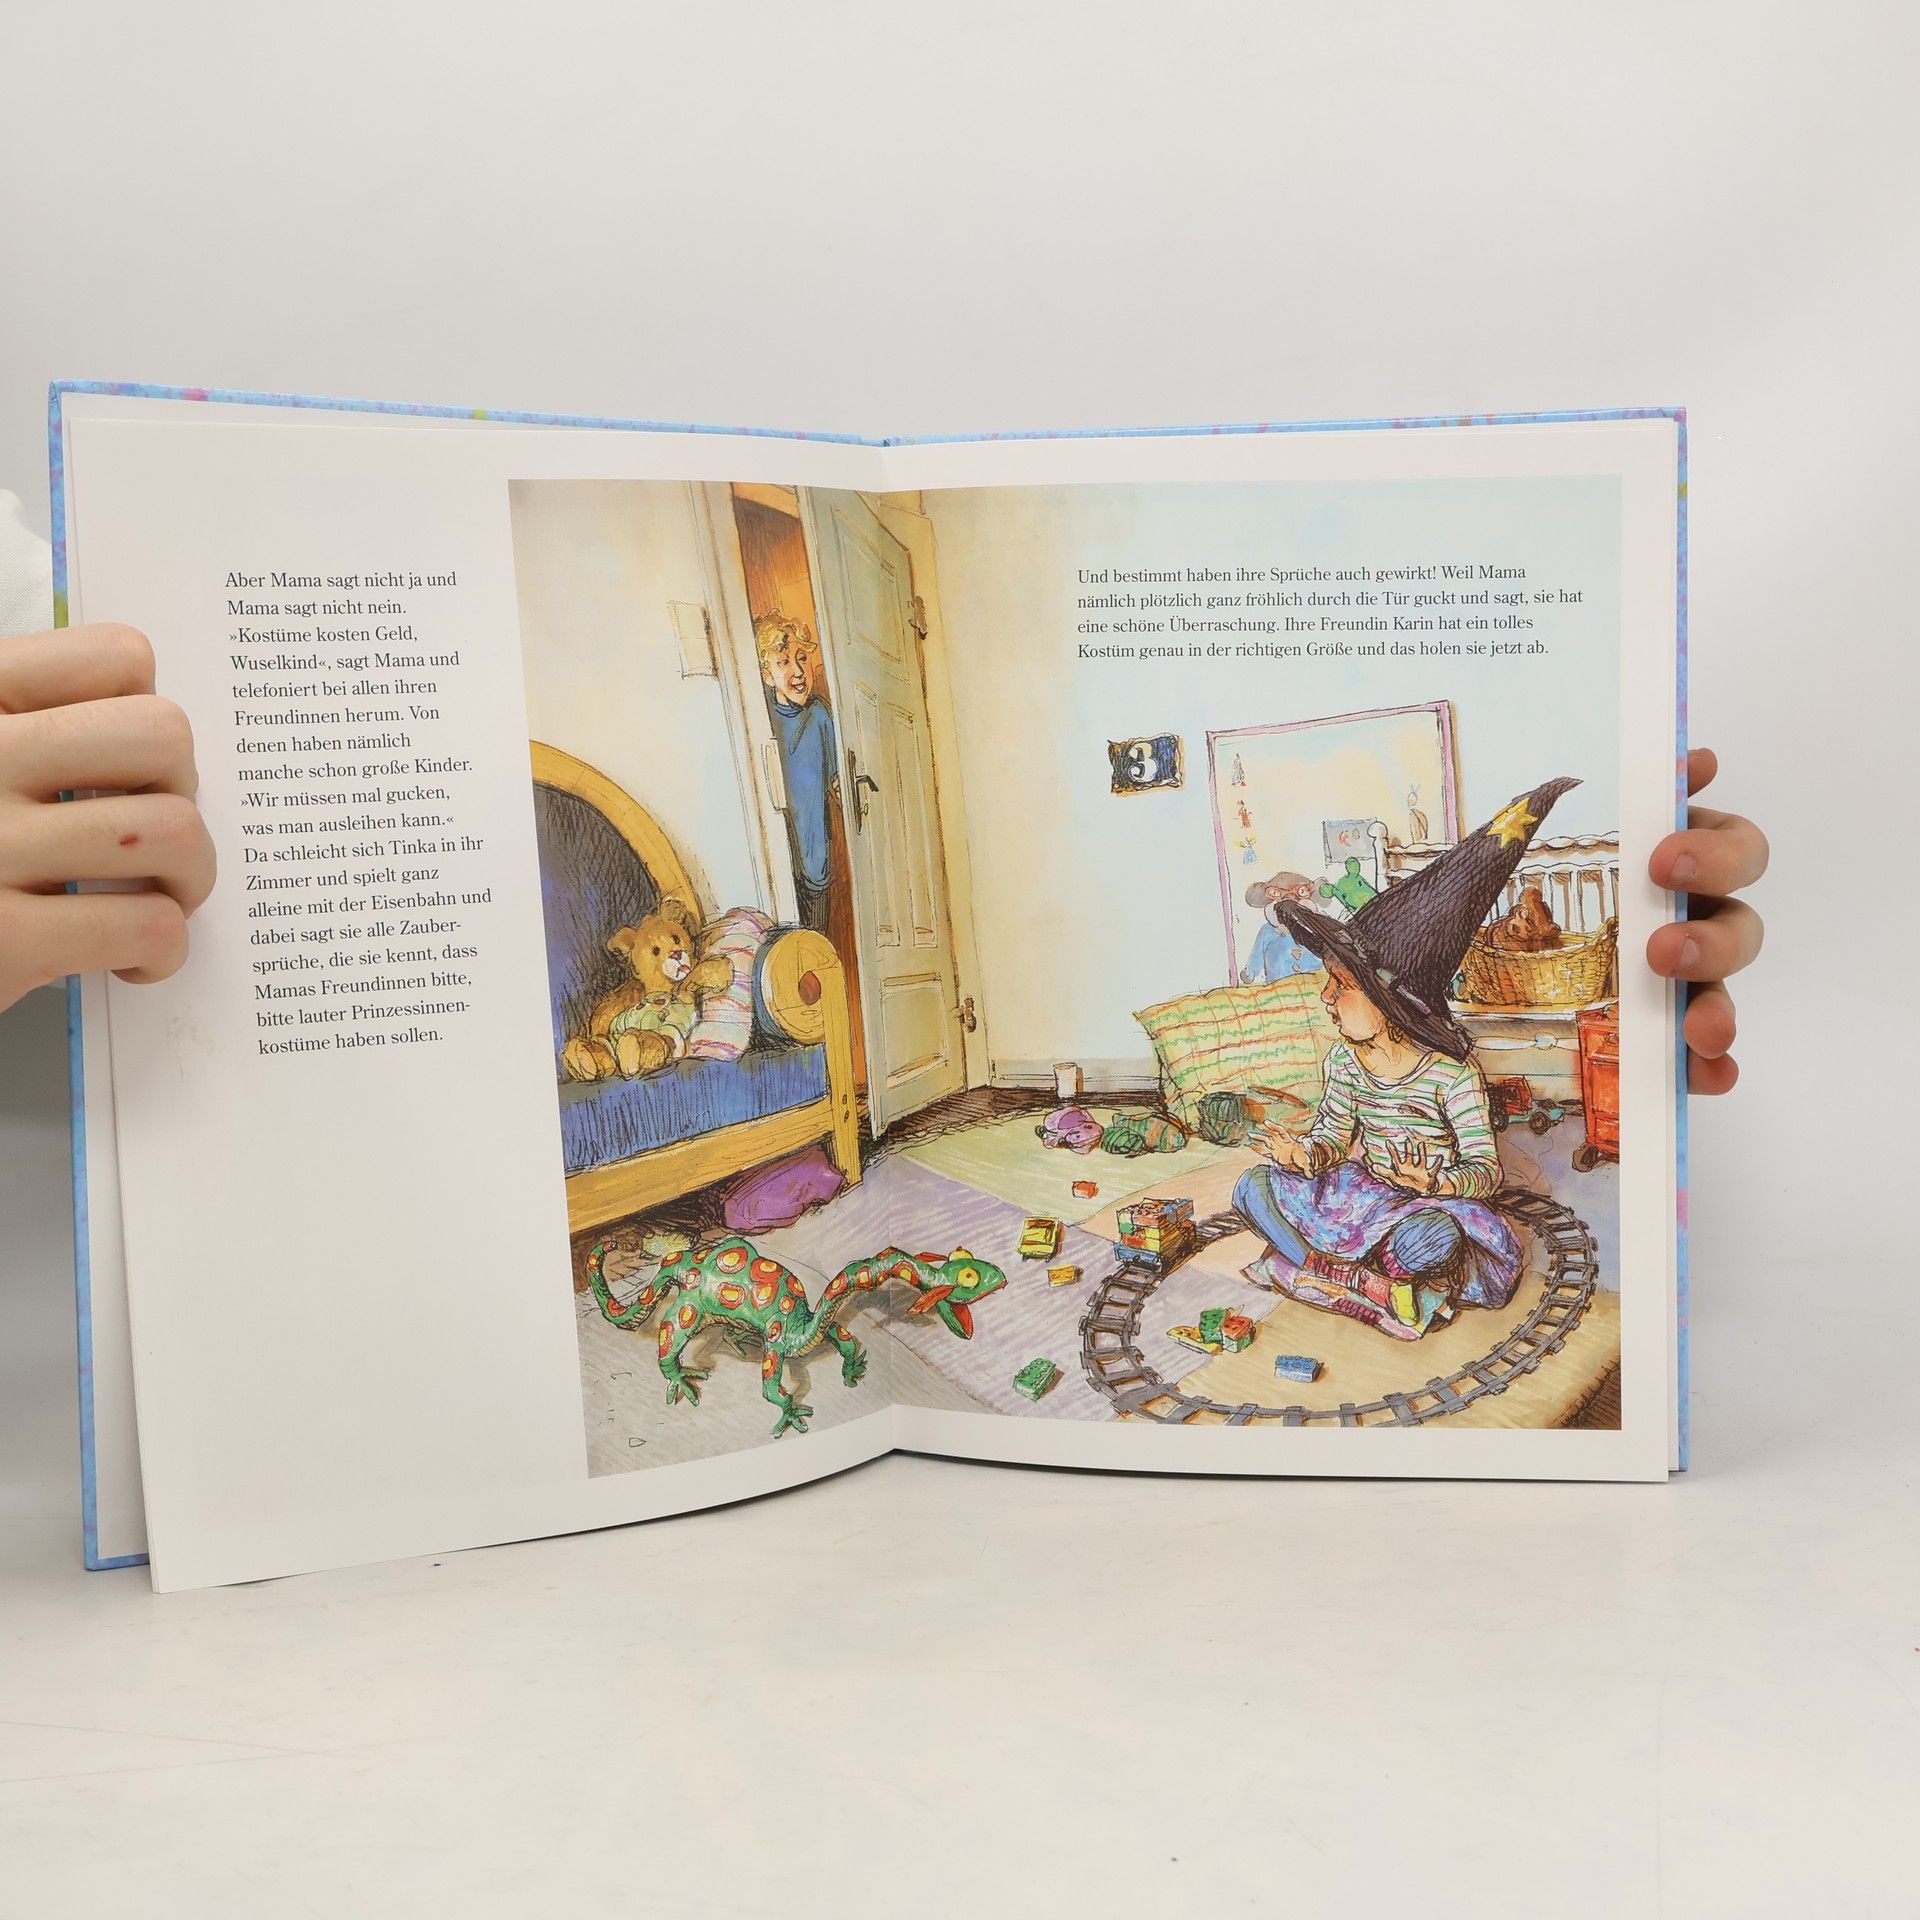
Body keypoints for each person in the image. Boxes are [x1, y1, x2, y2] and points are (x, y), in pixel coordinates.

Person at [0, 494, 1767, 1096]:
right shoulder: (786, 726)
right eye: (778, 658)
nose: (1336, 1005)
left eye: (1351, 992)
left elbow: (1438, 1135)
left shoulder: (1431, 1081)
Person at [754, 612, 840, 933]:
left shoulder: (820, 716)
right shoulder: (762, 718)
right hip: (779, 865)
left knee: (816, 945)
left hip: (815, 862)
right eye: (784, 662)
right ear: (767, 675)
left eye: (802, 658)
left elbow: (837, 781)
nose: (799, 671)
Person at [1239, 870, 1323, 983]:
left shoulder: (1316, 928)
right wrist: (1250, 972)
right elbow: (1258, 952)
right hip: (1279, 982)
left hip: (1315, 980)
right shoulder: (1268, 931)